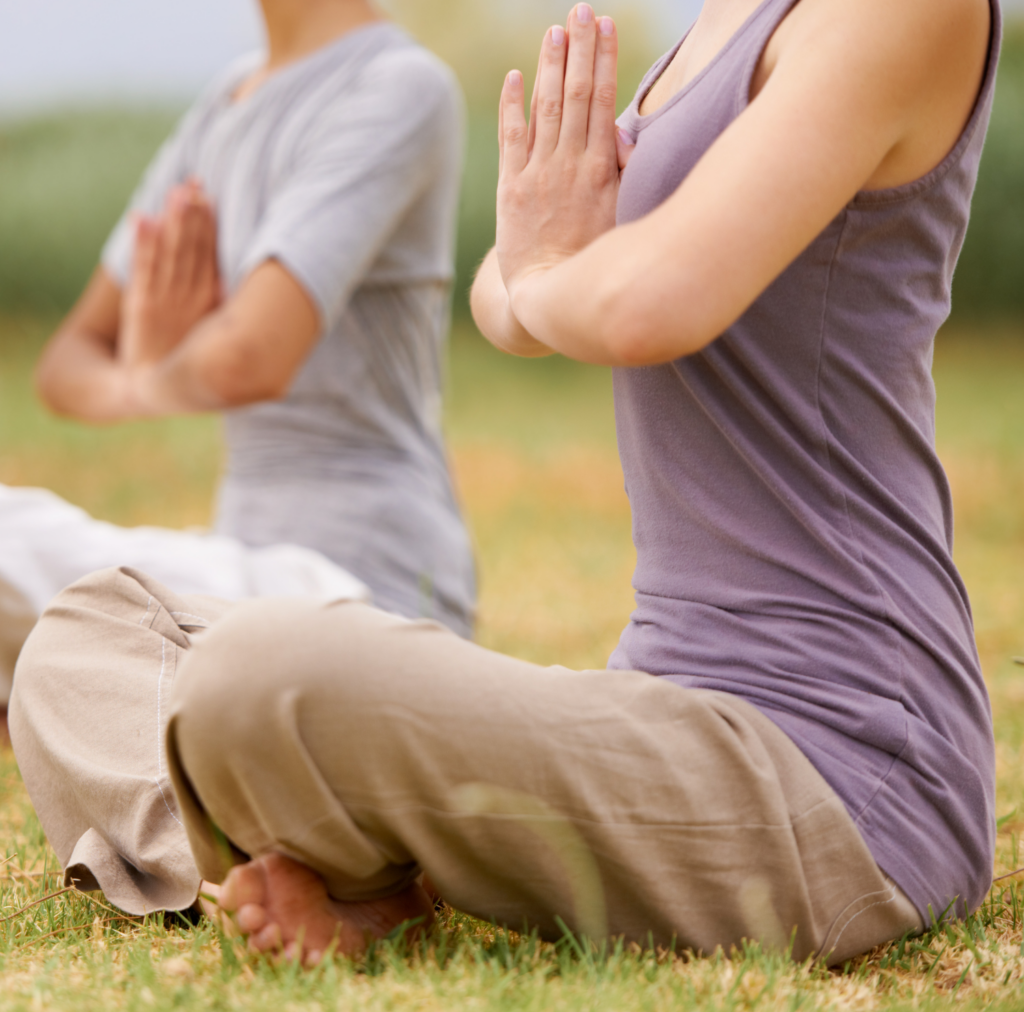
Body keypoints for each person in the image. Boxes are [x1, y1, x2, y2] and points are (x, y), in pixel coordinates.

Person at [15, 0, 1000, 963]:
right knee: (82, 635)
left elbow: (641, 303)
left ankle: (315, 851)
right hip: (658, 699)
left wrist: (553, 273)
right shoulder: (711, 25)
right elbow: (508, 284)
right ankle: (300, 869)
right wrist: (552, 275)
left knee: (258, 674)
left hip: (840, 765)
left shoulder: (899, 11)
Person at [6, 0, 475, 903]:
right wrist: (154, 374)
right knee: (72, 644)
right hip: (223, 589)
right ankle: (250, 843)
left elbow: (251, 355)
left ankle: (275, 863)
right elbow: (68, 365)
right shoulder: (227, 100)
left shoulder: (398, 86)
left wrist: (157, 367)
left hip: (366, 586)